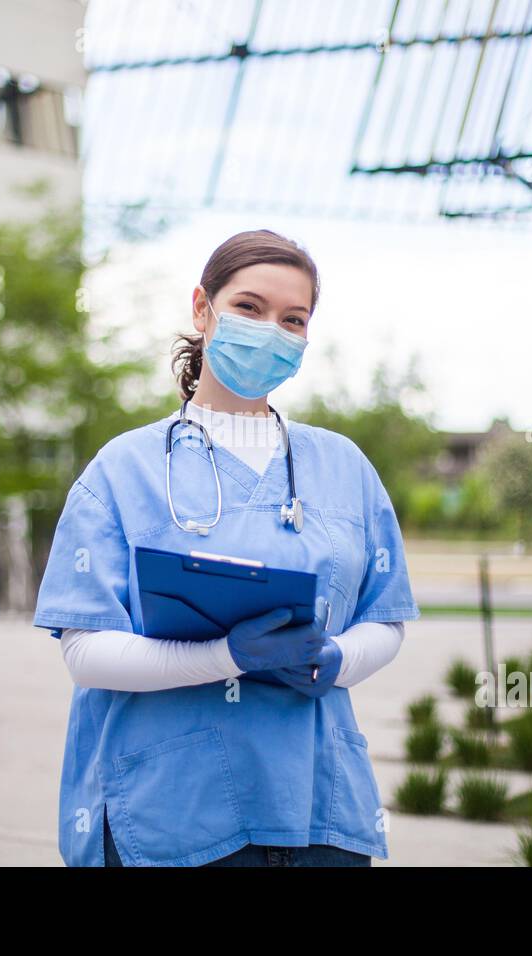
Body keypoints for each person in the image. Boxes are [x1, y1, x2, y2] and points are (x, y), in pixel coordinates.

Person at [32, 228, 420, 867]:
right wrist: (223, 656)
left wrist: (337, 659)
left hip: (317, 811)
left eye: (293, 319)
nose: (272, 330)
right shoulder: (122, 470)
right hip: (174, 812)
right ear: (201, 308)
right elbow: (85, 652)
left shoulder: (343, 466)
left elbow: (385, 618)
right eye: (249, 307)